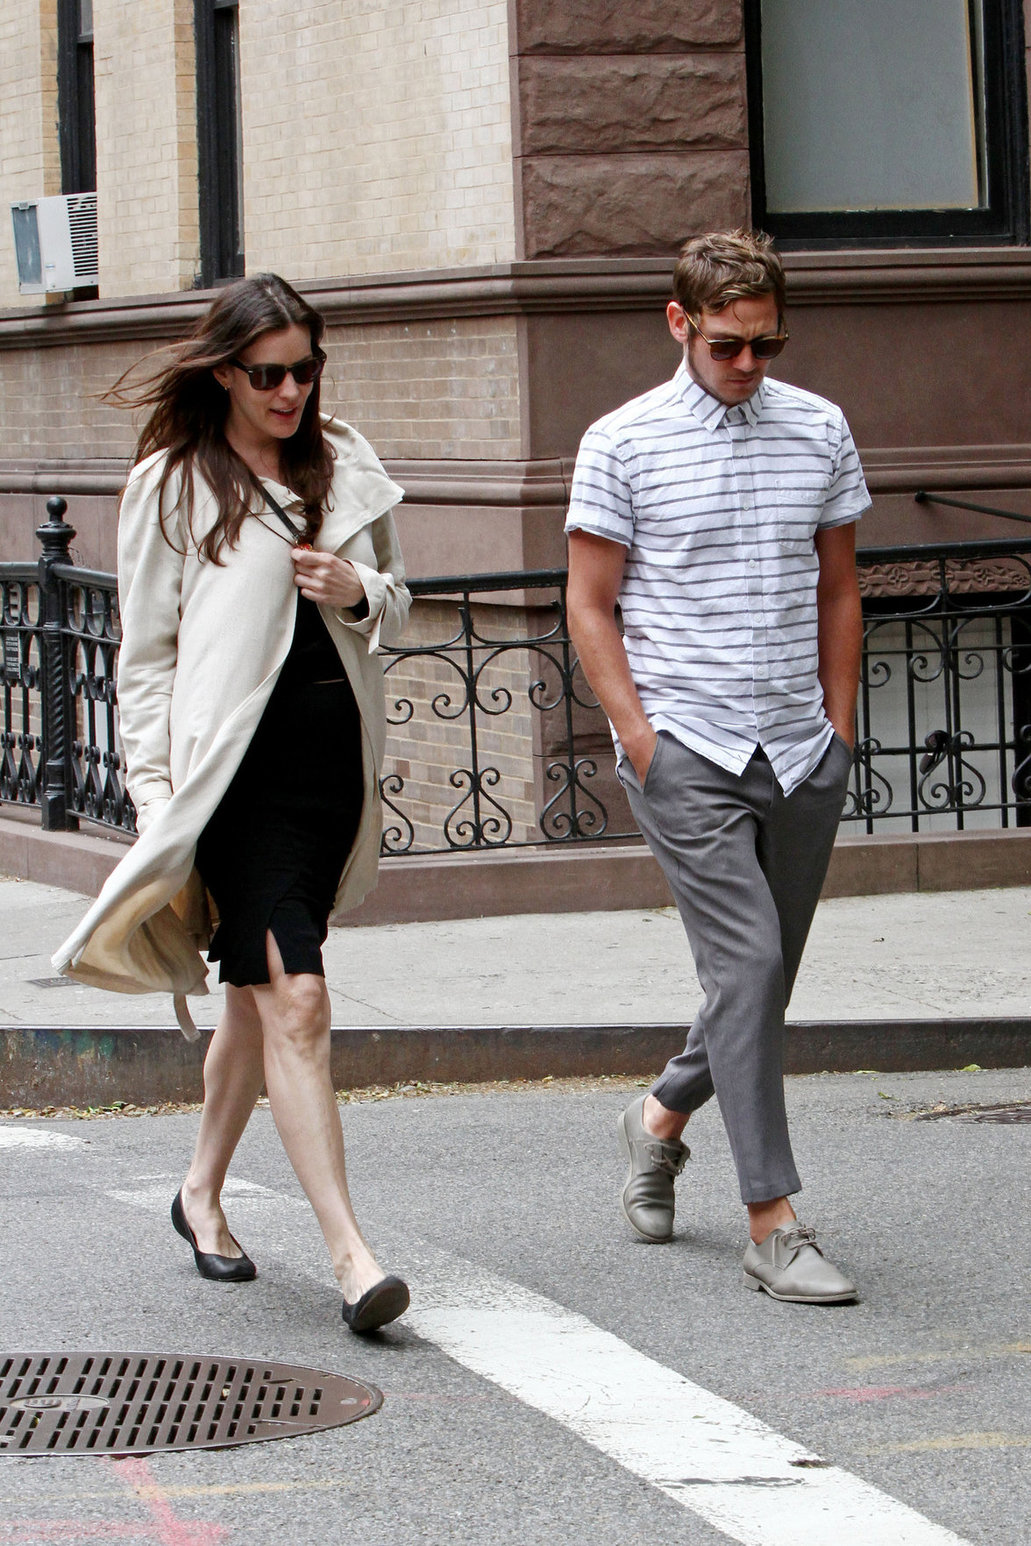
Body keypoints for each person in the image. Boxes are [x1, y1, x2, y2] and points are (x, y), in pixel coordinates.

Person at [53, 273, 412, 1334]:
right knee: (296, 997)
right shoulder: (172, 482)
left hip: (325, 774)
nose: (291, 390)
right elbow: (147, 657)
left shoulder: (339, 463)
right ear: (223, 372)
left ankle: (199, 1191)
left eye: (305, 369)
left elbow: (397, 596)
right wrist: (160, 800)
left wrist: (359, 593)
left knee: (258, 1000)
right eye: (269, 373)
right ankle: (352, 1257)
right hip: (230, 786)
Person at [565, 230, 868, 1304]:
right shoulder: (621, 442)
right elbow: (588, 604)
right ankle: (771, 1221)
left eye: (766, 345)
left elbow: (838, 585)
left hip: (797, 748)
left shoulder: (818, 427)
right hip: (685, 746)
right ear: (678, 323)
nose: (748, 365)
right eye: (729, 345)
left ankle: (655, 1118)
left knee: (762, 975)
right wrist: (640, 741)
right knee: (746, 970)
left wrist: (835, 728)